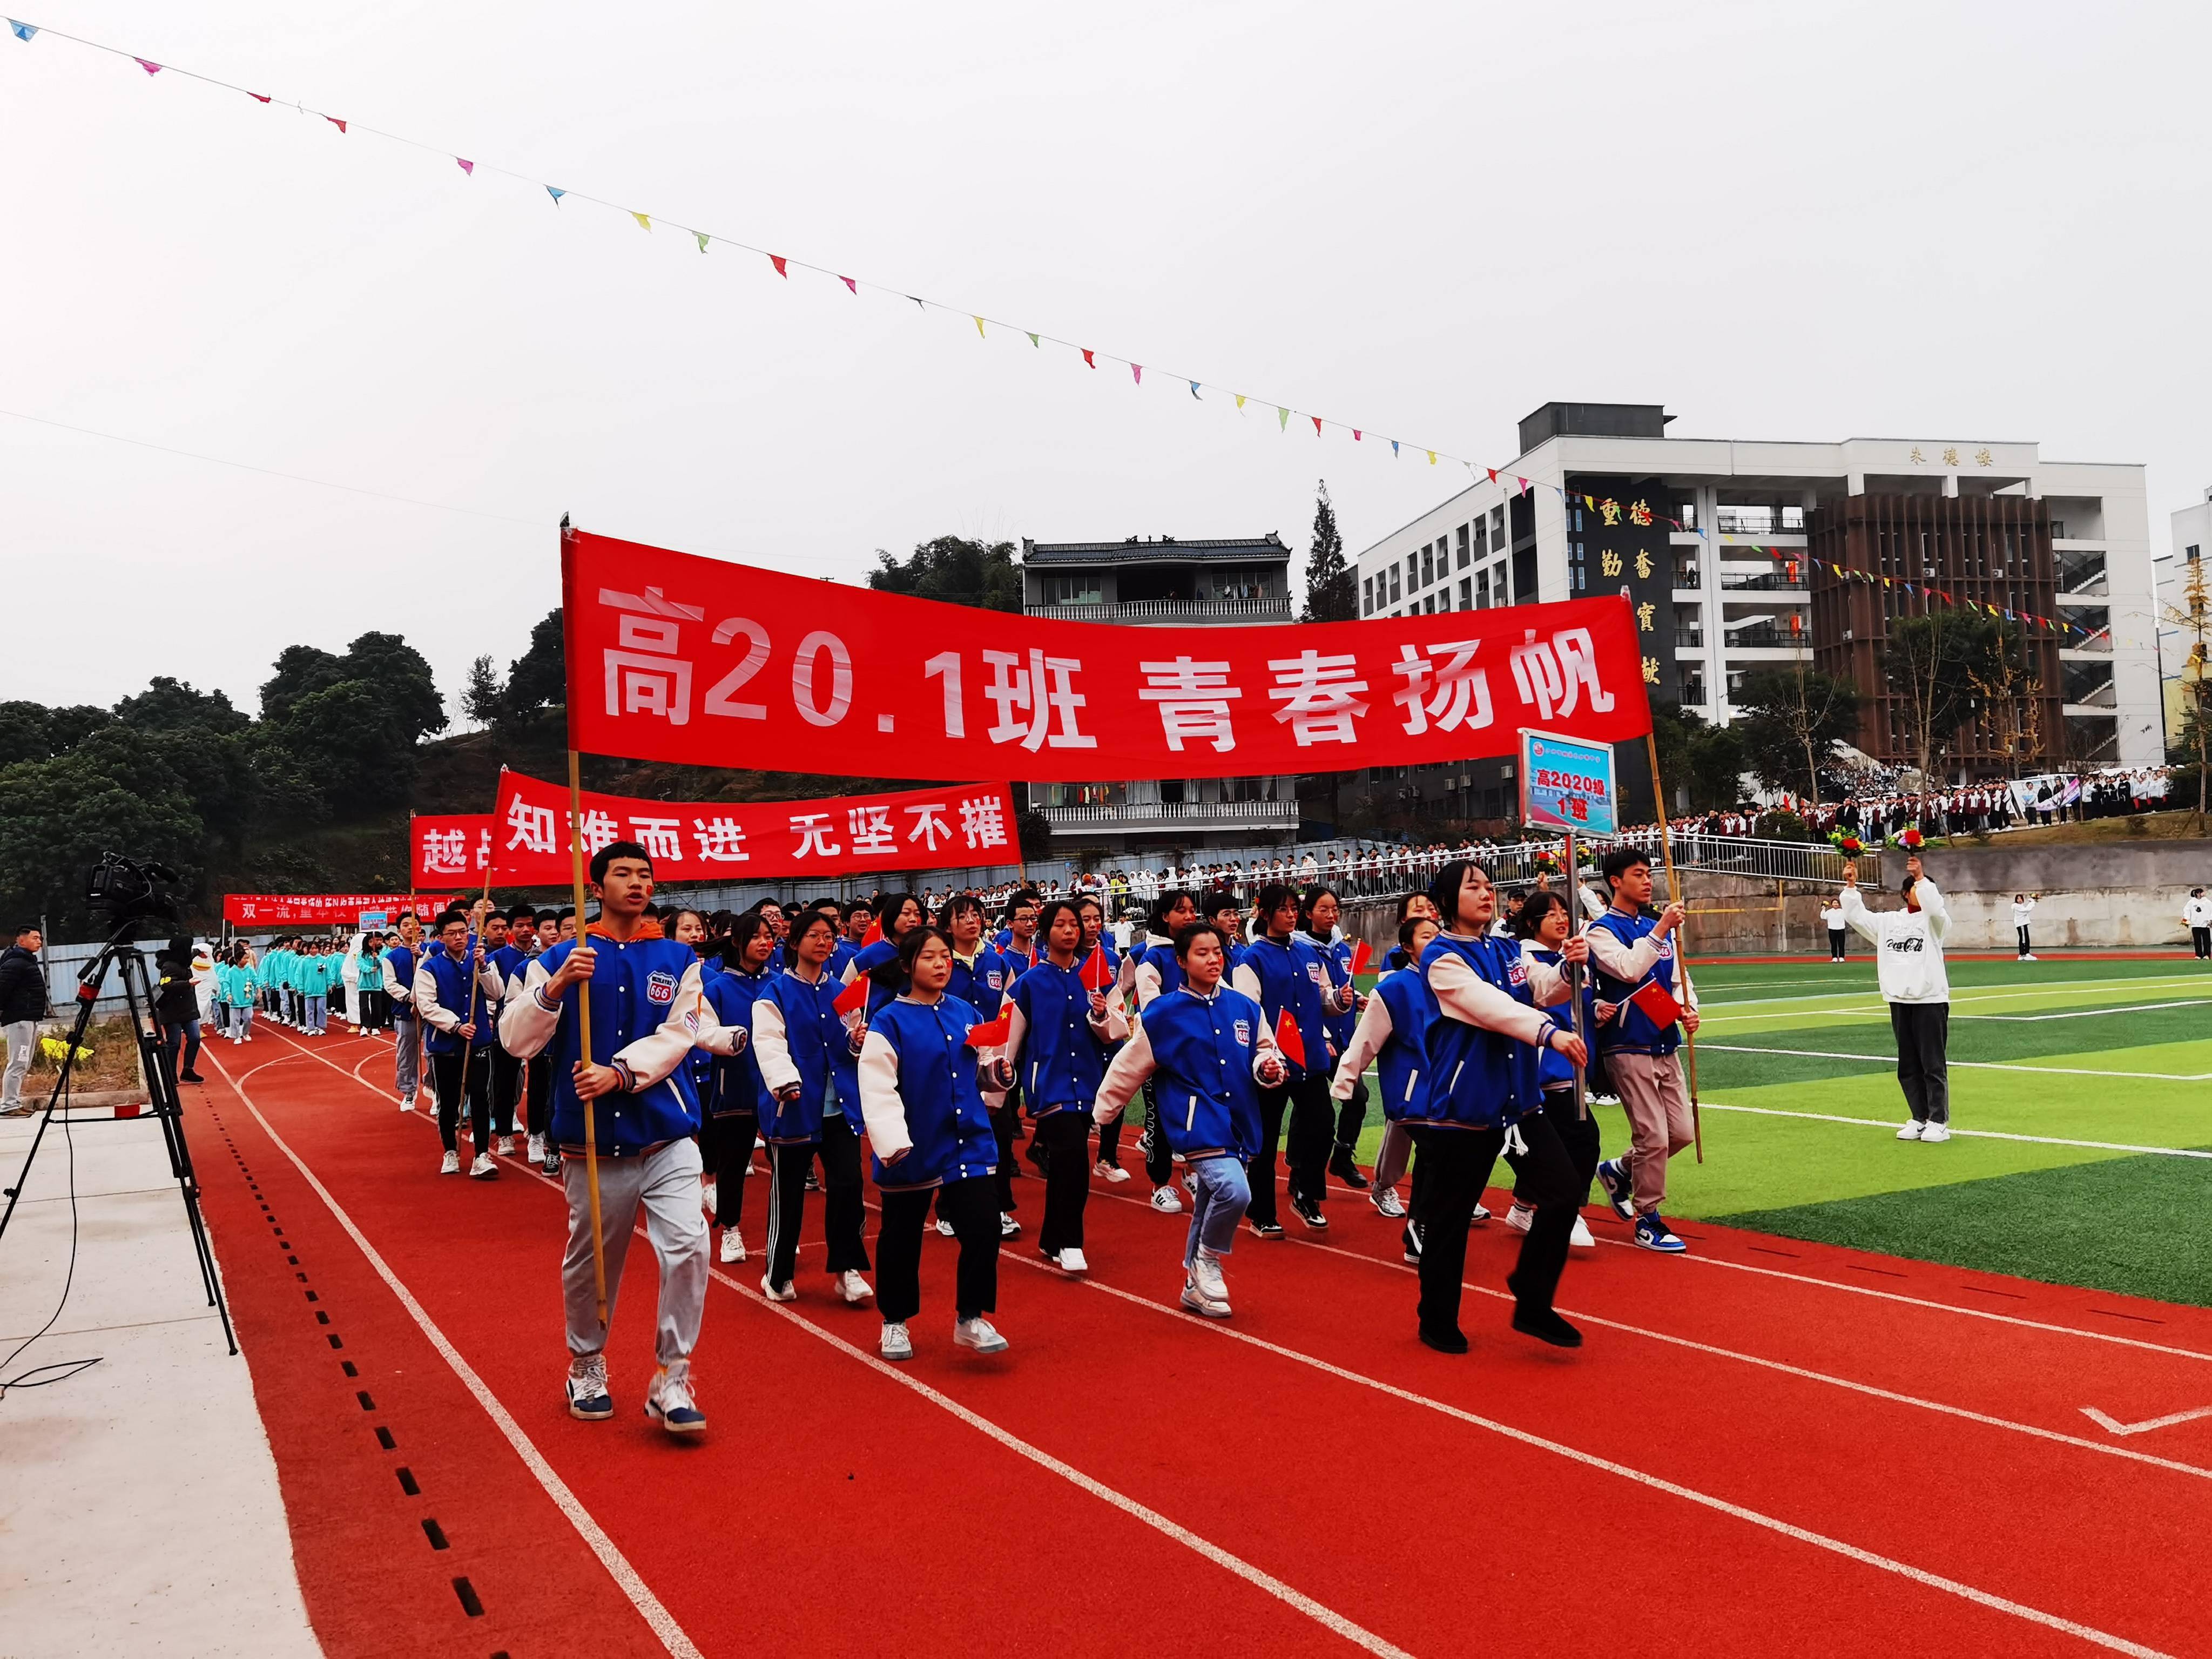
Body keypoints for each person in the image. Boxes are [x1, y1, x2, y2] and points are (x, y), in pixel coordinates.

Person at [500, 839, 738, 1435]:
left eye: (645, 875)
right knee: (593, 1265)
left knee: (689, 1248)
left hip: (667, 1135)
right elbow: (514, 1040)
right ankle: (586, 1363)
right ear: (596, 885)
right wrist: (553, 988)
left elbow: (681, 1032)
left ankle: (672, 1375)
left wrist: (622, 1073)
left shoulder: (679, 958)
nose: (637, 884)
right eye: (623, 874)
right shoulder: (560, 956)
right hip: (591, 1141)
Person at [1409, 859, 1591, 1353]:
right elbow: (1492, 1007)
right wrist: (1550, 1033)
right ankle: (1437, 1316)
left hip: (1520, 1102)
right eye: (1473, 888)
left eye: (1489, 886)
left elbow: (1541, 987)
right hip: (1466, 1106)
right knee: (1449, 1219)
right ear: (1447, 902)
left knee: (1562, 1192)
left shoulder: (1507, 948)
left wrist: (1569, 968)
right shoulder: (1442, 959)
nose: (1487, 894)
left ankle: (1531, 1297)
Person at [1095, 921, 1283, 1319]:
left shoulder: (1245, 1007)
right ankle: (1208, 1261)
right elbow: (1129, 1067)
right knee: (1235, 1192)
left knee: (1213, 1197)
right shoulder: (1162, 1014)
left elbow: (1266, 1050)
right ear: (1181, 961)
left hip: (1240, 1118)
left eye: (1218, 951)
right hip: (1194, 1121)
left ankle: (1193, 1286)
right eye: (1202, 953)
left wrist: (1269, 1066)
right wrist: (1102, 1115)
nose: (1214, 959)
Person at [857, 927, 1010, 1360]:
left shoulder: (965, 1012)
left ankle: (971, 1317)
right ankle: (895, 1321)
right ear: (907, 966)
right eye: (930, 957)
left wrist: (998, 1075)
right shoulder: (889, 1020)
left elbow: (982, 1067)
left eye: (945, 956)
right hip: (913, 1145)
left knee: (984, 1227)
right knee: (902, 1238)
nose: (942, 964)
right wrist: (891, 1142)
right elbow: (878, 1086)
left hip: (968, 1143)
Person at [751, 909, 875, 1305]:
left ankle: (848, 1268)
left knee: (848, 1186)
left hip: (839, 1108)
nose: (824, 943)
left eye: (829, 937)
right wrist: (785, 1082)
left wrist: (856, 1041)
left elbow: (852, 1049)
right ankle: (779, 1272)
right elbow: (768, 1044)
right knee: (788, 1194)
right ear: (795, 942)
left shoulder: (843, 991)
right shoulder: (774, 993)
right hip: (794, 1107)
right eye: (815, 936)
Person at [1003, 897, 1127, 1274]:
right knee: (1073, 1160)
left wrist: (1102, 1014)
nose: (1072, 931)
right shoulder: (1028, 985)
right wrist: (1001, 1075)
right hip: (1051, 1086)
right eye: (1062, 925)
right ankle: (1072, 1240)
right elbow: (1009, 1041)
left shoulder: (1098, 977)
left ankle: (1052, 1238)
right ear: (1046, 932)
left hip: (1089, 1084)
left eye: (1077, 924)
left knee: (1065, 1165)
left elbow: (1119, 1031)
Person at [1587, 848, 1702, 1253]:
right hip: (1626, 1043)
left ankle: (1619, 1169)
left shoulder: (1659, 927)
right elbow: (1628, 969)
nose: (1647, 881)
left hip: (1664, 1039)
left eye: (1649, 874)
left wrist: (1687, 1010)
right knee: (1652, 1136)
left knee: (1682, 1133)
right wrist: (1661, 930)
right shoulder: (1600, 931)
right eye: (1638, 874)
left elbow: (1675, 979)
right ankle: (1647, 1218)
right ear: (1616, 881)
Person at [1232, 884, 1350, 1235]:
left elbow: (1324, 998)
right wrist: (1265, 1054)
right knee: (1266, 1139)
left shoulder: (1308, 953)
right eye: (1284, 909)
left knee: (1323, 1124)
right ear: (1266, 914)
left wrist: (1339, 998)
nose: (1291, 914)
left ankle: (1305, 1192)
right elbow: (1248, 1011)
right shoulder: (1251, 959)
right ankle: (1262, 1212)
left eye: (1294, 908)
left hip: (1310, 1057)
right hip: (1273, 1061)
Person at [1331, 914, 1440, 1241]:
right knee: (1436, 1152)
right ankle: (1419, 1226)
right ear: (1407, 947)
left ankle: (1425, 1224)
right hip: (1412, 1089)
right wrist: (1346, 1080)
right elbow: (1365, 1039)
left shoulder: (1453, 981)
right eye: (1426, 937)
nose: (1435, 943)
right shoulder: (1393, 989)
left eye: (1438, 935)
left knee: (1446, 1155)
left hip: (1449, 1088)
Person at [1500, 892, 1599, 1250]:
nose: (1562, 919)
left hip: (1571, 1066)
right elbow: (1543, 989)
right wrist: (1568, 969)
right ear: (1531, 922)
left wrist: (1596, 1004)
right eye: (1552, 914)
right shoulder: (1523, 957)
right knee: (1575, 1142)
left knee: (1571, 1143)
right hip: (1543, 1069)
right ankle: (1565, 1209)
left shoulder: (1565, 955)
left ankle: (1527, 1206)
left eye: (1564, 913)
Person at [1840, 855, 1953, 1144]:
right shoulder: (1889, 922)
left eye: (1926, 888)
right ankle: (1920, 1117)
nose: (1923, 892)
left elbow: (1936, 908)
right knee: (1908, 1065)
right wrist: (1851, 886)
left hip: (1929, 999)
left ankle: (1939, 1121)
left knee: (1933, 1064)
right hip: (1899, 1000)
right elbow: (1857, 917)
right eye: (1915, 887)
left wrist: (1921, 877)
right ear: (1905, 894)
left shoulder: (1935, 923)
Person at [939, 895, 1021, 1239]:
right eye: (963, 916)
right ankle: (947, 1209)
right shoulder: (940, 961)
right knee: (951, 1133)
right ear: (948, 926)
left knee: (998, 1133)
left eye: (977, 914)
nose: (972, 921)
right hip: (950, 1059)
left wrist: (1006, 1052)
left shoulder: (996, 962)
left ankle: (999, 1206)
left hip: (990, 1059)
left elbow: (1012, 1007)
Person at [700, 912, 773, 1265]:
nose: (765, 942)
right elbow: (702, 1032)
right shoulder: (716, 988)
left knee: (785, 1165)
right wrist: (731, 1039)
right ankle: (730, 1228)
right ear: (737, 942)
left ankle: (781, 1232)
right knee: (733, 1163)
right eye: (757, 936)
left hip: (779, 1089)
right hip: (736, 1088)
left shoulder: (780, 984)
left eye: (769, 936)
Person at [416, 905, 508, 1178]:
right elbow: (427, 1005)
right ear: (441, 937)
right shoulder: (430, 967)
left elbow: (497, 993)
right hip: (445, 1045)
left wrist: (485, 966)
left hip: (478, 1042)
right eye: (452, 933)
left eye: (463, 932)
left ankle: (482, 1155)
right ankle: (450, 1151)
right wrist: (455, 1025)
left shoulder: (480, 960)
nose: (459, 937)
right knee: (449, 1100)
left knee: (480, 1098)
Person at [1127, 888, 1200, 1216]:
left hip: (1198, 1051)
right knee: (1160, 1120)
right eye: (1180, 911)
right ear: (1164, 917)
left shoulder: (1199, 951)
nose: (1189, 916)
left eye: (1191, 910)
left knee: (1198, 1117)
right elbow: (1151, 1005)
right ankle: (1160, 1185)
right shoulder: (1153, 957)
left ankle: (1194, 1174)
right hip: (1161, 1053)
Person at [1300, 886, 1371, 1192]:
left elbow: (1341, 989)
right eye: (1323, 910)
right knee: (1313, 1105)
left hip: (1345, 1038)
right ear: (1309, 914)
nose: (1331, 915)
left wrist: (1355, 999)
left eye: (1335, 909)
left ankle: (1341, 1154)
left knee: (1358, 1098)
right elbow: (1307, 997)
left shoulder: (1342, 949)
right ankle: (1299, 1165)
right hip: (1317, 1040)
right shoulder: (1302, 950)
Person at [2, 925, 50, 1115]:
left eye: (40, 939)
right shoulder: (15, 963)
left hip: (28, 1018)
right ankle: (9, 1105)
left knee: (23, 1063)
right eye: (35, 938)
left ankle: (13, 1102)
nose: (39, 941)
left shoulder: (26, 961)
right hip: (19, 1020)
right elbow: (2, 989)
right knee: (18, 1062)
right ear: (21, 940)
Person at [383, 913, 426, 1111]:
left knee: (435, 1053)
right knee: (407, 1055)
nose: (411, 928)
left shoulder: (429, 952)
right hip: (406, 1010)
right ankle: (409, 1092)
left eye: (415, 924)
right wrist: (411, 997)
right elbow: (390, 984)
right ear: (399, 930)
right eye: (406, 925)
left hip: (431, 1012)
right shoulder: (391, 957)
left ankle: (434, 1089)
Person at [154, 937, 206, 1085]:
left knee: (195, 1038)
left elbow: (191, 954)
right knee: (174, 1043)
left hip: (188, 1009)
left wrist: (199, 952)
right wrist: (187, 983)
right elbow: (166, 985)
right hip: (172, 1011)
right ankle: (170, 1074)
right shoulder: (169, 966)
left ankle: (188, 1070)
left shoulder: (184, 960)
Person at [2013, 892, 2040, 961]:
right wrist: (2032, 902)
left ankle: (2025, 954)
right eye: (2018, 898)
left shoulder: (2021, 906)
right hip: (2021, 924)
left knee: (2025, 938)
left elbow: (2026, 910)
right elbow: (2026, 910)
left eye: (2021, 898)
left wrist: (2033, 901)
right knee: (2024, 939)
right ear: (2016, 900)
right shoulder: (2016, 906)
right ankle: (2024, 954)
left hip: (2023, 924)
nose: (2020, 900)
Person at [2188, 887, 2212, 961]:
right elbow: (2187, 910)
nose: (2204, 894)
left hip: (2205, 925)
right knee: (2197, 941)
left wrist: (2211, 920)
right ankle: (2198, 955)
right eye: (2202, 892)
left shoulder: (2207, 902)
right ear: (2198, 893)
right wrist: (2186, 919)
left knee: (2206, 941)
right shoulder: (2191, 902)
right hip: (2195, 924)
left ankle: (2207, 955)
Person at [1821, 896, 1847, 962]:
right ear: (1832, 904)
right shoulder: (1829, 912)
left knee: (1841, 944)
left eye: (1837, 903)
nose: (1836, 904)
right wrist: (1823, 909)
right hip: (1832, 929)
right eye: (1834, 903)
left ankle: (1842, 957)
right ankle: (1834, 957)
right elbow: (1823, 917)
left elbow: (1848, 917)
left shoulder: (1842, 911)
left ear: (1839, 904)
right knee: (1833, 944)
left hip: (1841, 929)